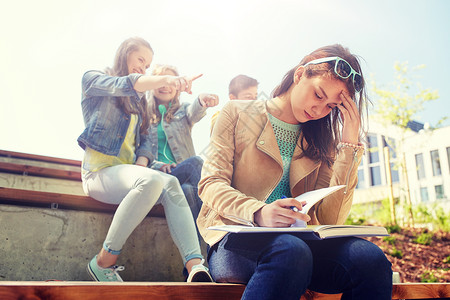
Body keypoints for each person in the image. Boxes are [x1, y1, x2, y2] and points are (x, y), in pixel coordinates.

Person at [197, 44, 393, 299]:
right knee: (290, 250)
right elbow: (210, 184)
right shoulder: (235, 113)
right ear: (300, 74)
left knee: (369, 258)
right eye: (318, 95)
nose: (320, 110)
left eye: (332, 107)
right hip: (233, 242)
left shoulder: (322, 142)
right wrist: (258, 212)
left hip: (302, 246)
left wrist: (349, 145)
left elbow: (330, 217)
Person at [78, 37, 212, 282]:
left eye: (148, 65)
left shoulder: (139, 104)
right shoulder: (93, 79)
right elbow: (125, 84)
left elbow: (146, 142)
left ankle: (195, 266)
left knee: (169, 184)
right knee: (152, 180)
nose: (143, 67)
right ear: (125, 53)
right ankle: (102, 262)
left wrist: (142, 166)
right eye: (140, 60)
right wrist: (165, 79)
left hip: (127, 175)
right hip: (98, 173)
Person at [146, 64, 219, 228]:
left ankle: (207, 248)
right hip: (159, 176)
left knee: (187, 190)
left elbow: (194, 112)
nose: (165, 86)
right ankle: (222, 217)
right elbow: (138, 152)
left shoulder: (182, 111)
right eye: (161, 81)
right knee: (196, 163)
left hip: (183, 177)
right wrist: (159, 165)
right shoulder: (143, 116)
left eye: (171, 83)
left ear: (177, 88)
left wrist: (201, 100)